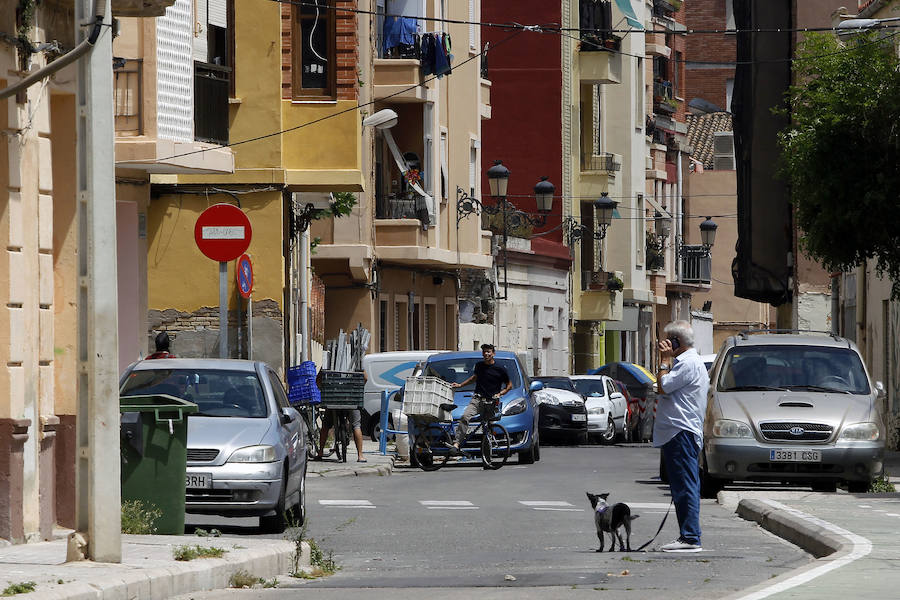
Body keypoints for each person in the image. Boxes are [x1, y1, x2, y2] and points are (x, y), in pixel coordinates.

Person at [654, 320, 709, 553]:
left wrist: (664, 362)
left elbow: (663, 386)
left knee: (685, 485)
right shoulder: (688, 363)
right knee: (681, 485)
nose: (662, 344)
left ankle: (690, 536)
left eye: (667, 340)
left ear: (676, 342)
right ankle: (688, 534)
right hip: (679, 431)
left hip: (681, 431)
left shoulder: (687, 364)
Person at [447, 343, 512, 454]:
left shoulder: (500, 369)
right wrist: (460, 385)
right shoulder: (479, 366)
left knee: (487, 427)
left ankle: (487, 456)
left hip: (491, 401)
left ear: (493, 354)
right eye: (484, 352)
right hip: (477, 399)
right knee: (465, 417)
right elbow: (474, 378)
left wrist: (500, 394)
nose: (486, 354)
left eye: (488, 351)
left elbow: (509, 385)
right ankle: (456, 444)